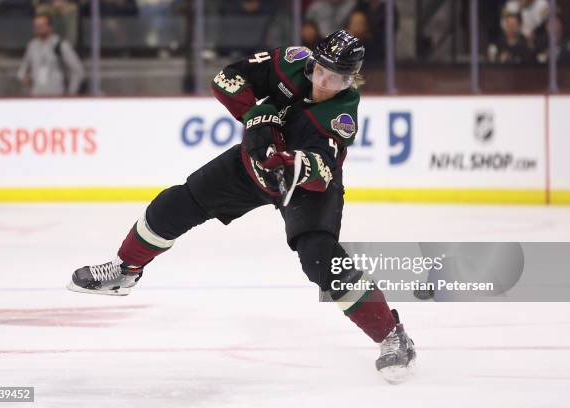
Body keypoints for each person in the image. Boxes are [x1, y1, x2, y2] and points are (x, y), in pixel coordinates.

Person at [67, 30, 416, 383]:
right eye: (321, 71)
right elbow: (226, 79)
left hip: (301, 185)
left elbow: (321, 170)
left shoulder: (342, 115)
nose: (325, 83)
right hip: (252, 163)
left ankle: (391, 334)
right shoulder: (291, 62)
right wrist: (258, 115)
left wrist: (285, 161)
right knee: (177, 203)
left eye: (338, 79)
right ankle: (126, 269)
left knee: (321, 261)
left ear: (352, 79)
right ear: (313, 61)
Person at [17, 13, 84, 96]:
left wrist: (71, 92)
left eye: (41, 25)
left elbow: (77, 70)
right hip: (36, 95)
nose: (38, 28)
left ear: (50, 27)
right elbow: (21, 71)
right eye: (36, 26)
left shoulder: (61, 45)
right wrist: (24, 78)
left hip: (57, 95)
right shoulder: (32, 46)